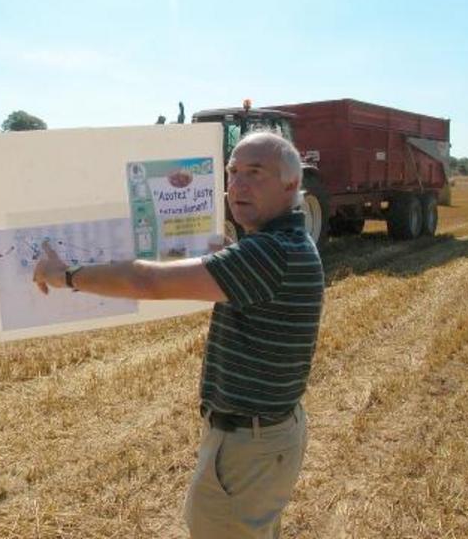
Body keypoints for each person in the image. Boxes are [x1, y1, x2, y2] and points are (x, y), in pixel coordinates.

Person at [33, 131, 324, 538]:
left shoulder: (270, 254)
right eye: (233, 172)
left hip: (248, 445)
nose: (237, 185)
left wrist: (64, 275)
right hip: (262, 438)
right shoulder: (282, 244)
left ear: (291, 184)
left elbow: (147, 282)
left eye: (254, 173)